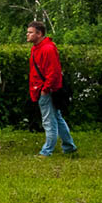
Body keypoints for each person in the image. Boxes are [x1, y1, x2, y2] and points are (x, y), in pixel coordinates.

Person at [27, 21, 77, 157]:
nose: (28, 35)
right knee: (57, 117)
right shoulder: (37, 48)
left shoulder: (47, 49)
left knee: (49, 121)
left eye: (31, 32)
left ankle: (47, 151)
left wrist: (45, 88)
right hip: (42, 89)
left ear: (39, 34)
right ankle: (69, 146)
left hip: (46, 90)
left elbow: (53, 72)